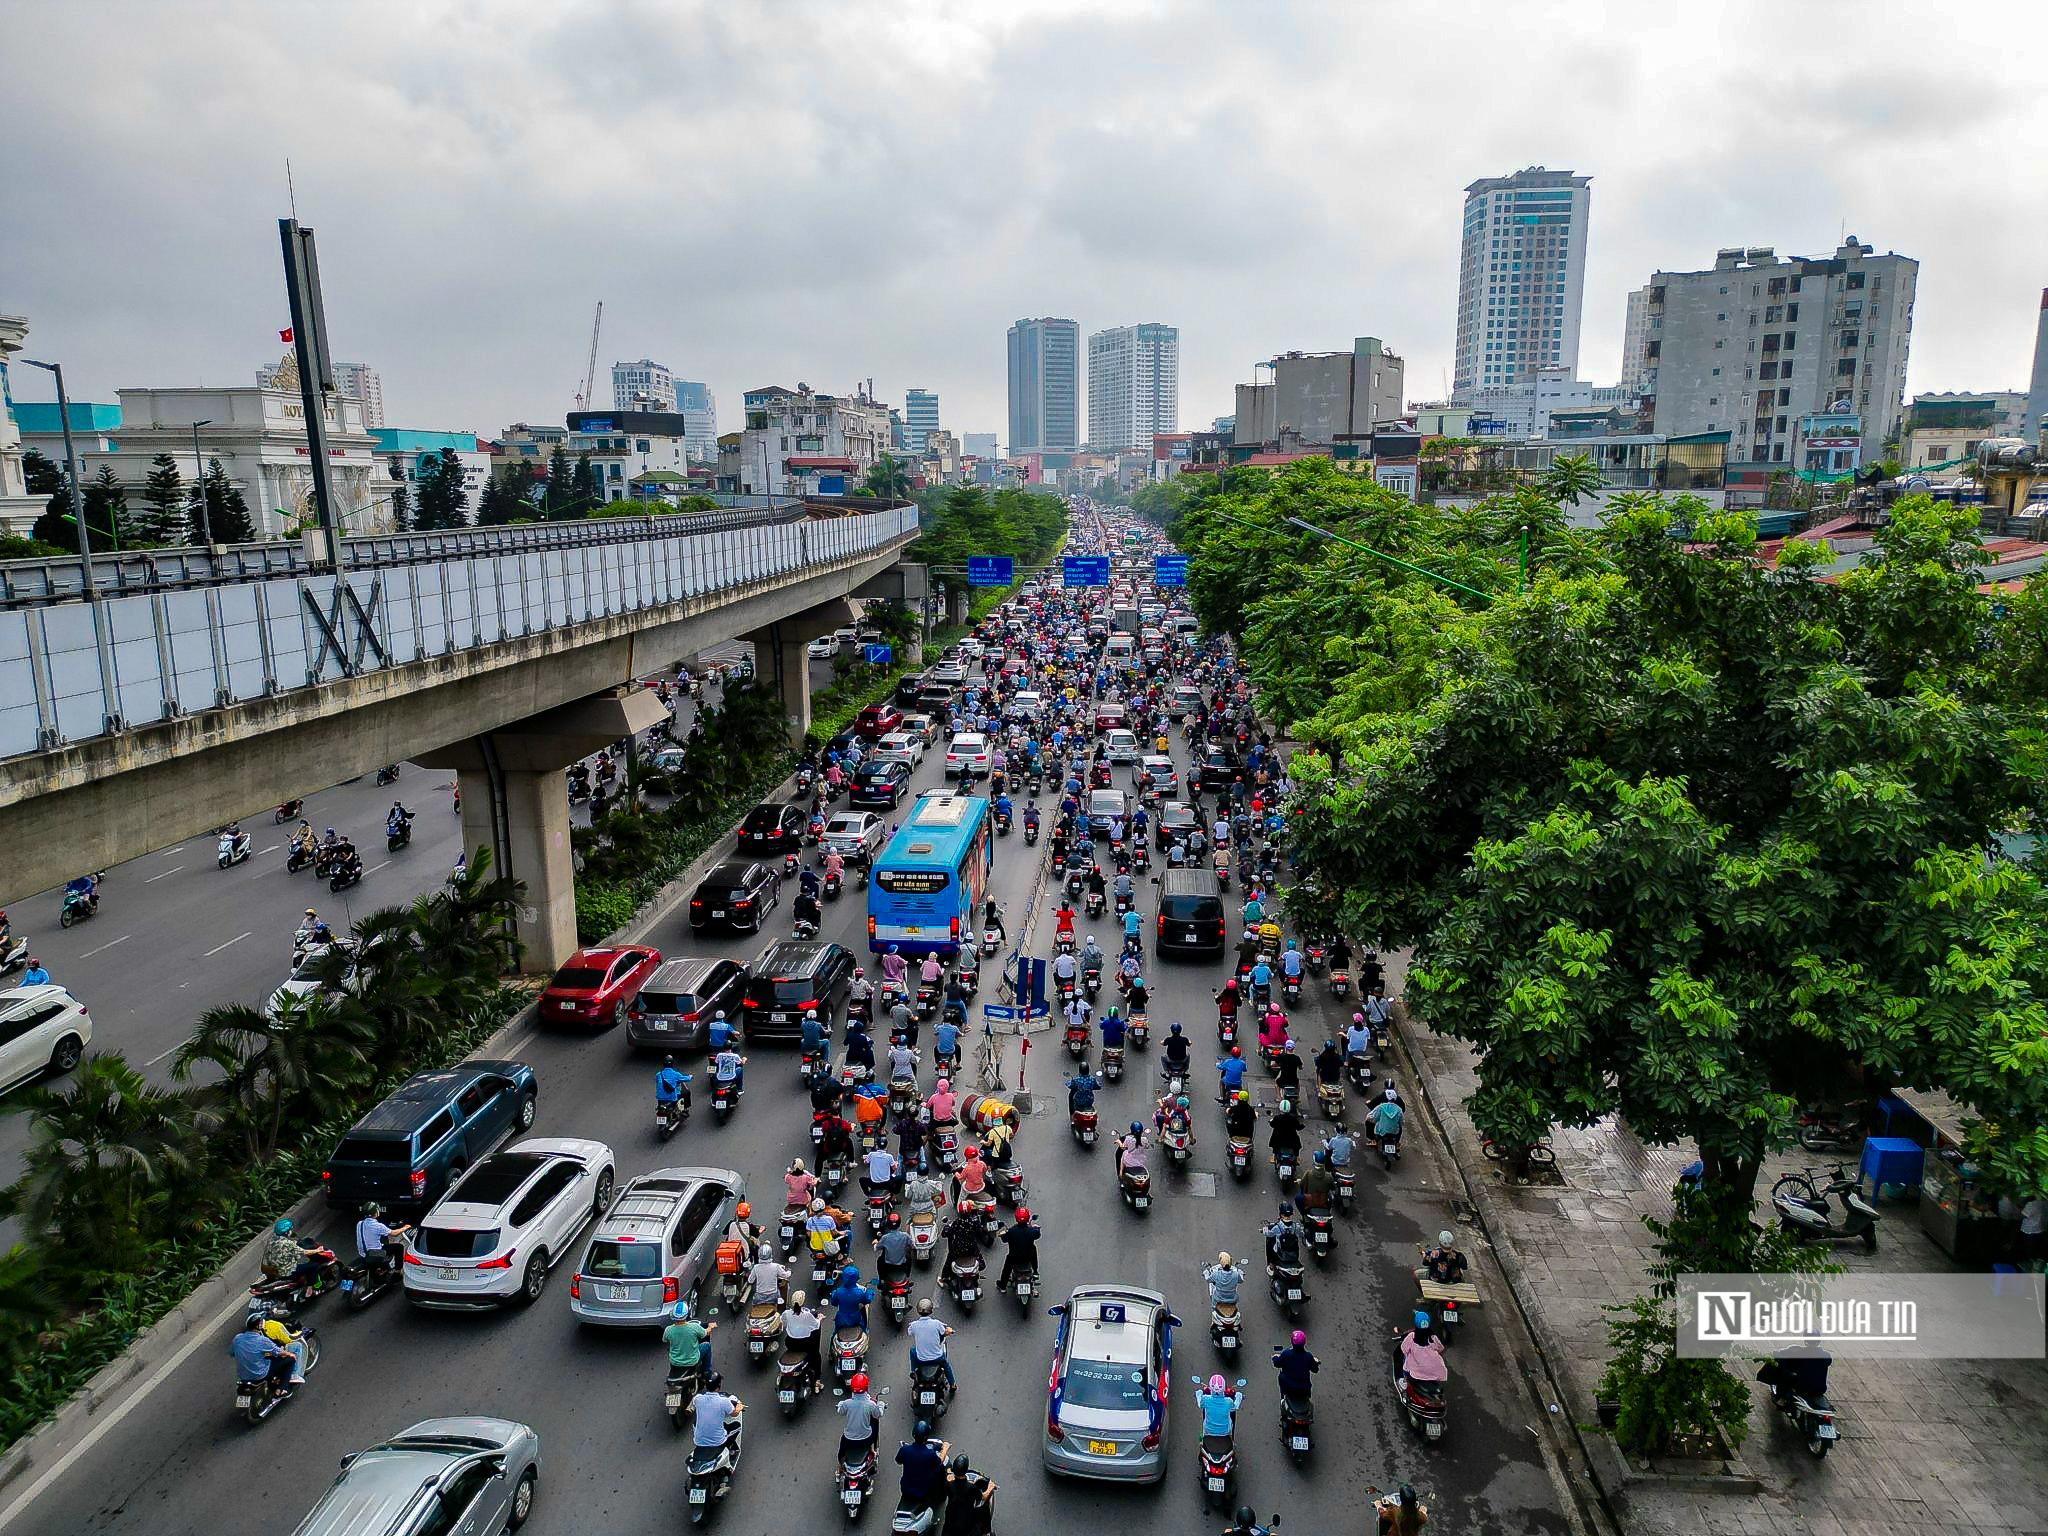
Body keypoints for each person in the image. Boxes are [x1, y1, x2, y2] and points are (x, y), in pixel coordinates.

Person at [229, 1310, 305, 1394]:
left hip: (242, 1376)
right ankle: (282, 1389)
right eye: (261, 1322)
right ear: (258, 1326)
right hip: (260, 1374)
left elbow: (231, 1353)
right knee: (290, 1359)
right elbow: (278, 1352)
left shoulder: (237, 1338)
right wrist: (290, 1354)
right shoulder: (262, 1340)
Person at [895, 1422, 951, 1516]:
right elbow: (940, 1461)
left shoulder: (905, 1450)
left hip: (905, 1489)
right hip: (924, 1492)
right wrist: (945, 1448)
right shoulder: (930, 1454)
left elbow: (898, 1461)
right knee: (940, 1471)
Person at [837, 1371, 886, 1466]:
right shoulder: (870, 1404)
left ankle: (839, 1470)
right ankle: (873, 1449)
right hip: (866, 1439)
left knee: (841, 1453)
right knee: (874, 1424)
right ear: (866, 1387)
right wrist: (881, 1404)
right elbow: (878, 1414)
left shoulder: (847, 1403)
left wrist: (840, 1404)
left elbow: (840, 1411)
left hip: (848, 1439)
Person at [942, 1454, 998, 1536]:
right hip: (966, 1522)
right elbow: (984, 1497)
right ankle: (986, 1533)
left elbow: (949, 1476)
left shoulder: (949, 1483)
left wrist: (949, 1471)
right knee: (984, 1508)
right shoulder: (971, 1488)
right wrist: (990, 1486)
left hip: (951, 1519)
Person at [908, 1296, 957, 1387]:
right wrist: (949, 1330)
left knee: (912, 1350)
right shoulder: (936, 1323)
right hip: (938, 1358)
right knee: (946, 1365)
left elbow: (909, 1332)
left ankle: (913, 1371)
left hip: (921, 1359)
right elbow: (944, 1332)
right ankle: (953, 1384)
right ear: (931, 1310)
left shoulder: (914, 1325)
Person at [262, 1218, 327, 1285]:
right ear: (286, 1232)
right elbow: (305, 1252)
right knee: (314, 1265)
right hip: (285, 1272)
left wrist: (295, 1243)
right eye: (290, 1230)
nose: (291, 1231)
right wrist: (318, 1250)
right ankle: (311, 1286)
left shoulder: (271, 1240)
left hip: (273, 1269)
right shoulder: (287, 1243)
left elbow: (283, 1246)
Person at [664, 1298, 715, 1383]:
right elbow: (705, 1333)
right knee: (706, 1345)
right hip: (692, 1361)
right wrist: (710, 1327)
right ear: (686, 1315)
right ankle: (706, 1372)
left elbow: (665, 1340)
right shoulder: (694, 1327)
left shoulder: (668, 1330)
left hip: (675, 1362)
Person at [689, 1380, 742, 1454]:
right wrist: (739, 1407)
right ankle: (730, 1449)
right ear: (718, 1387)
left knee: (695, 1423)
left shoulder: (698, 1398)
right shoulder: (724, 1402)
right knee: (737, 1426)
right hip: (718, 1442)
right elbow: (734, 1414)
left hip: (698, 1441)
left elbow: (693, 1404)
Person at [1397, 1313, 1448, 1389]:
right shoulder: (1433, 1338)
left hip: (1416, 1373)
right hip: (1435, 1371)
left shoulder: (1411, 1337)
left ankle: (1405, 1381)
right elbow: (1440, 1349)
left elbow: (1404, 1349)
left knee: (1405, 1364)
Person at [353, 1201, 410, 1268]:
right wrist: (405, 1227)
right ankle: (398, 1271)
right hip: (375, 1253)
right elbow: (394, 1233)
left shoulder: (359, 1224)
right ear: (376, 1212)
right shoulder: (378, 1226)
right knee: (399, 1247)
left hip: (363, 1253)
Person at [996, 1207, 1040, 1291]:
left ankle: (1002, 1286)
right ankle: (1035, 1271)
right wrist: (1037, 1228)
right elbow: (1038, 1235)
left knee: (1007, 1267)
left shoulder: (1011, 1231)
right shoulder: (1031, 1231)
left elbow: (1004, 1240)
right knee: (1033, 1249)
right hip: (1028, 1258)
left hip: (1014, 1258)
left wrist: (1003, 1234)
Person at [785, 1290, 824, 1380]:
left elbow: (783, 1323)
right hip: (806, 1344)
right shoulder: (807, 1315)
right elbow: (816, 1325)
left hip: (791, 1343)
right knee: (816, 1355)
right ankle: (817, 1378)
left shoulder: (787, 1313)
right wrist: (820, 1318)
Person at [1272, 1328, 1320, 1401]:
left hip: (1289, 1387)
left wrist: (1275, 1358)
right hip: (1304, 1388)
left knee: (1281, 1376)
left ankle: (1283, 1397)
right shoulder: (1308, 1356)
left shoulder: (1286, 1354)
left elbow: (1277, 1364)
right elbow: (1315, 1370)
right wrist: (1315, 1362)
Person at [829, 1265, 875, 1333]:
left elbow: (834, 1303)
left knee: (835, 1334)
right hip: (855, 1318)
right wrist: (870, 1292)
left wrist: (833, 1294)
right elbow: (867, 1300)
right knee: (864, 1329)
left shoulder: (838, 1291)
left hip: (841, 1319)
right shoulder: (859, 1292)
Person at [1196, 1372, 1242, 1437]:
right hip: (1225, 1431)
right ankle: (1232, 1439)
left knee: (1205, 1425)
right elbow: (1235, 1407)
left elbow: (1200, 1404)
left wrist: (1199, 1394)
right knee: (1230, 1423)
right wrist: (1239, 1396)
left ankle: (1202, 1441)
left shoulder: (1205, 1399)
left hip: (1208, 1430)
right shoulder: (1228, 1401)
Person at [876, 1210, 914, 1278]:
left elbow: (877, 1248)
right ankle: (907, 1276)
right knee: (909, 1257)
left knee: (879, 1260)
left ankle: (881, 1279)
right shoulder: (905, 1236)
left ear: (888, 1224)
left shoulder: (885, 1237)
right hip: (903, 1265)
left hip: (888, 1265)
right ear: (899, 1224)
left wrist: (876, 1243)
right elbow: (913, 1246)